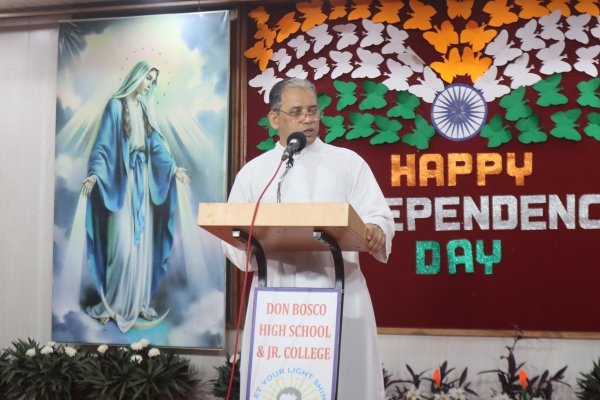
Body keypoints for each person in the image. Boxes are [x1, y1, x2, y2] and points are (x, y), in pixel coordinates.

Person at [223, 78, 394, 399]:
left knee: (343, 383)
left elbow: (378, 215)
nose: (308, 119)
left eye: (313, 111)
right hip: (276, 302)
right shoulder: (255, 172)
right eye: (297, 112)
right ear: (274, 118)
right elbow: (231, 234)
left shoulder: (347, 162)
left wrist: (376, 229)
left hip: (337, 291)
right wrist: (250, 246)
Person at [81, 60, 190, 333]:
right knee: (121, 247)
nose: (150, 84)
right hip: (123, 183)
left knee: (141, 247)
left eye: (153, 80)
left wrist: (173, 169)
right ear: (137, 76)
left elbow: (156, 146)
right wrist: (95, 174)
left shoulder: (142, 109)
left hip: (142, 182)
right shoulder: (115, 106)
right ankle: (112, 303)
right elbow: (103, 145)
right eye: (148, 78)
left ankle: (137, 300)